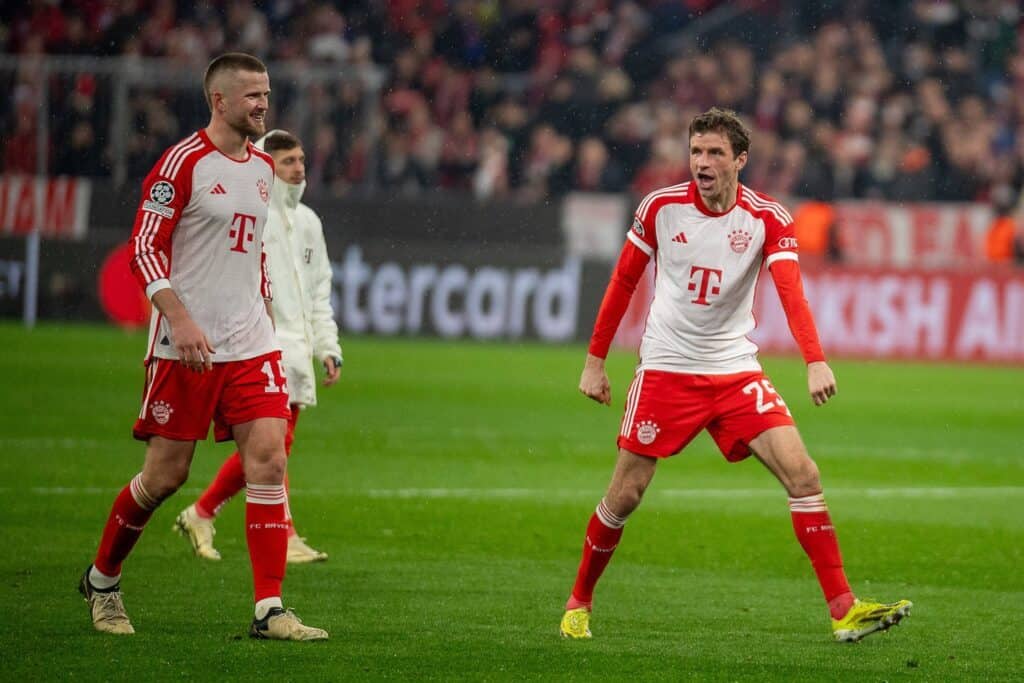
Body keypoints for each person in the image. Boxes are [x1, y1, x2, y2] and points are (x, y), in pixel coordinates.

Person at [559, 107, 911, 643]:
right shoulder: (660, 208)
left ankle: (843, 609)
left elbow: (791, 291)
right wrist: (594, 361)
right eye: (696, 151)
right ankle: (578, 601)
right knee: (626, 493)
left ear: (740, 160)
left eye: (715, 153)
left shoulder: (767, 217)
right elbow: (623, 282)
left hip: (734, 369)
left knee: (804, 475)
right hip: (667, 370)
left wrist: (814, 359)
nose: (702, 162)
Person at [78, 53, 327, 641]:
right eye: (252, 97)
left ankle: (270, 610)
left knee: (270, 458)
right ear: (219, 101)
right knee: (166, 477)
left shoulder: (264, 167)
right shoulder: (181, 164)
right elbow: (144, 248)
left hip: (251, 343)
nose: (263, 105)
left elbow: (255, 250)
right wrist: (181, 320)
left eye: (266, 94)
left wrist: (263, 305)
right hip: (185, 346)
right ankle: (104, 579)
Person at [174, 129, 342, 564]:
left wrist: (327, 345)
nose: (298, 168)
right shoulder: (253, 216)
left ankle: (208, 514)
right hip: (260, 346)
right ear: (267, 166)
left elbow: (318, 290)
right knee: (270, 449)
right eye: (287, 161)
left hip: (297, 350)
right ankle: (265, 530)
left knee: (275, 449)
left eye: (301, 159)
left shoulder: (308, 222)